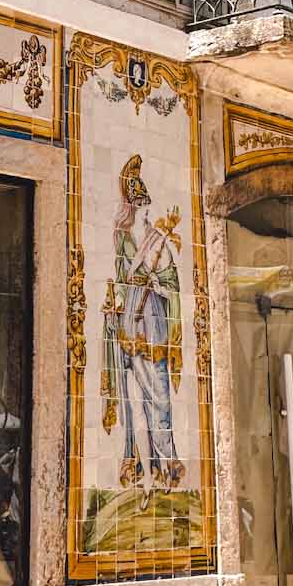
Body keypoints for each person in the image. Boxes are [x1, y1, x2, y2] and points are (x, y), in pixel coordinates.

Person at [101, 154, 184, 495]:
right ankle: (136, 464)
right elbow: (120, 283)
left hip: (154, 331)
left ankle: (167, 462)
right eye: (131, 205)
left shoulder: (158, 244)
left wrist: (154, 284)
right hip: (128, 330)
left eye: (139, 205)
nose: (135, 212)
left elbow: (172, 284)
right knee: (131, 400)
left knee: (159, 399)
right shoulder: (121, 241)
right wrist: (114, 307)